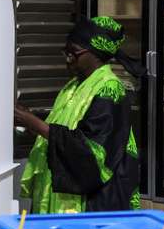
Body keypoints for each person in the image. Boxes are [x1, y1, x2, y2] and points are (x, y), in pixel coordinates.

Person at [16, 16, 145, 214]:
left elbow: (91, 152)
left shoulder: (110, 89)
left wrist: (37, 125)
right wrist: (33, 121)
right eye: (65, 52)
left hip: (91, 205)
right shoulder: (74, 86)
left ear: (96, 54)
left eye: (73, 53)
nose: (68, 58)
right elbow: (67, 131)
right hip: (58, 197)